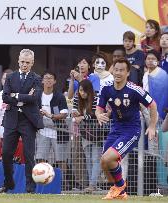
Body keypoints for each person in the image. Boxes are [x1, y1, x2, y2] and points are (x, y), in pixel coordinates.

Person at [96, 58, 158, 200]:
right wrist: (99, 115)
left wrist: (152, 126)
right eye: (116, 69)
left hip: (131, 130)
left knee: (108, 158)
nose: (118, 73)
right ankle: (120, 191)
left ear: (127, 72)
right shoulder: (107, 88)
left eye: (121, 70)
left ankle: (119, 186)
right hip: (115, 129)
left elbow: (153, 105)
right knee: (104, 162)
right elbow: (99, 109)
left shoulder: (134, 89)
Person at [0, 49, 44, 193]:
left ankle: (30, 188)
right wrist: (24, 97)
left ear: (32, 63)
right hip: (11, 119)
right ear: (18, 61)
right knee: (6, 154)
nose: (24, 65)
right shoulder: (10, 77)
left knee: (29, 155)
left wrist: (15, 96)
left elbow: (35, 98)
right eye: (22, 62)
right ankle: (8, 183)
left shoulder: (36, 78)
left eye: (27, 62)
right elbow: (5, 97)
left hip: (28, 121)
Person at [35, 71, 69, 189]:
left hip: (58, 132)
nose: (48, 80)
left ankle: (63, 183)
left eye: (51, 78)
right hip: (42, 131)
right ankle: (40, 183)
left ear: (54, 81)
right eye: (46, 78)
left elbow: (64, 113)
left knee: (61, 159)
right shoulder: (37, 95)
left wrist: (51, 116)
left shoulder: (59, 96)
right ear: (42, 81)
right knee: (40, 158)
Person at [72, 79, 105, 193]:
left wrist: (82, 117)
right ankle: (92, 184)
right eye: (80, 90)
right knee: (88, 159)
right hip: (84, 133)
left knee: (96, 159)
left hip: (98, 133)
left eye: (83, 90)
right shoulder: (77, 98)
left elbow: (96, 114)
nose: (82, 93)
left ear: (89, 90)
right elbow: (74, 110)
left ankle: (92, 184)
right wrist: (76, 114)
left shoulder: (96, 99)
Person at [0, 69, 25, 163]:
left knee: (17, 169)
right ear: (1, 80)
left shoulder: (20, 96)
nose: (7, 81)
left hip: (16, 139)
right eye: (5, 79)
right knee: (0, 169)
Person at [142, 50, 168, 120]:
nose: (150, 61)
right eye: (148, 59)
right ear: (145, 61)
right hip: (148, 107)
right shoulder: (145, 74)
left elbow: (164, 95)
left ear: (158, 62)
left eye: (153, 59)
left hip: (160, 108)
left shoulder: (162, 74)